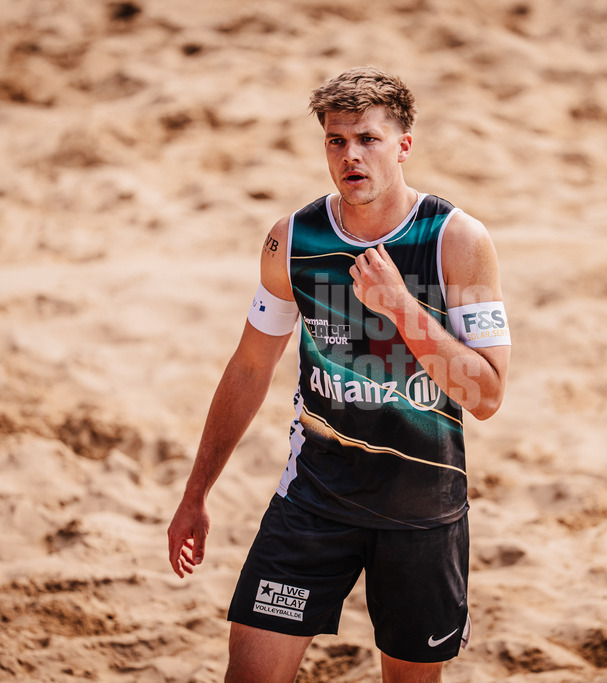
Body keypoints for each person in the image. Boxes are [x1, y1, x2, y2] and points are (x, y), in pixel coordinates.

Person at [167, 66, 511, 683]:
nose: (351, 155)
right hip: (312, 504)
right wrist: (196, 493)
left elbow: (485, 394)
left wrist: (401, 307)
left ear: (403, 145)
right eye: (336, 140)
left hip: (422, 514)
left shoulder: (456, 240)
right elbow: (249, 367)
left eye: (369, 139)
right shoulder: (294, 240)